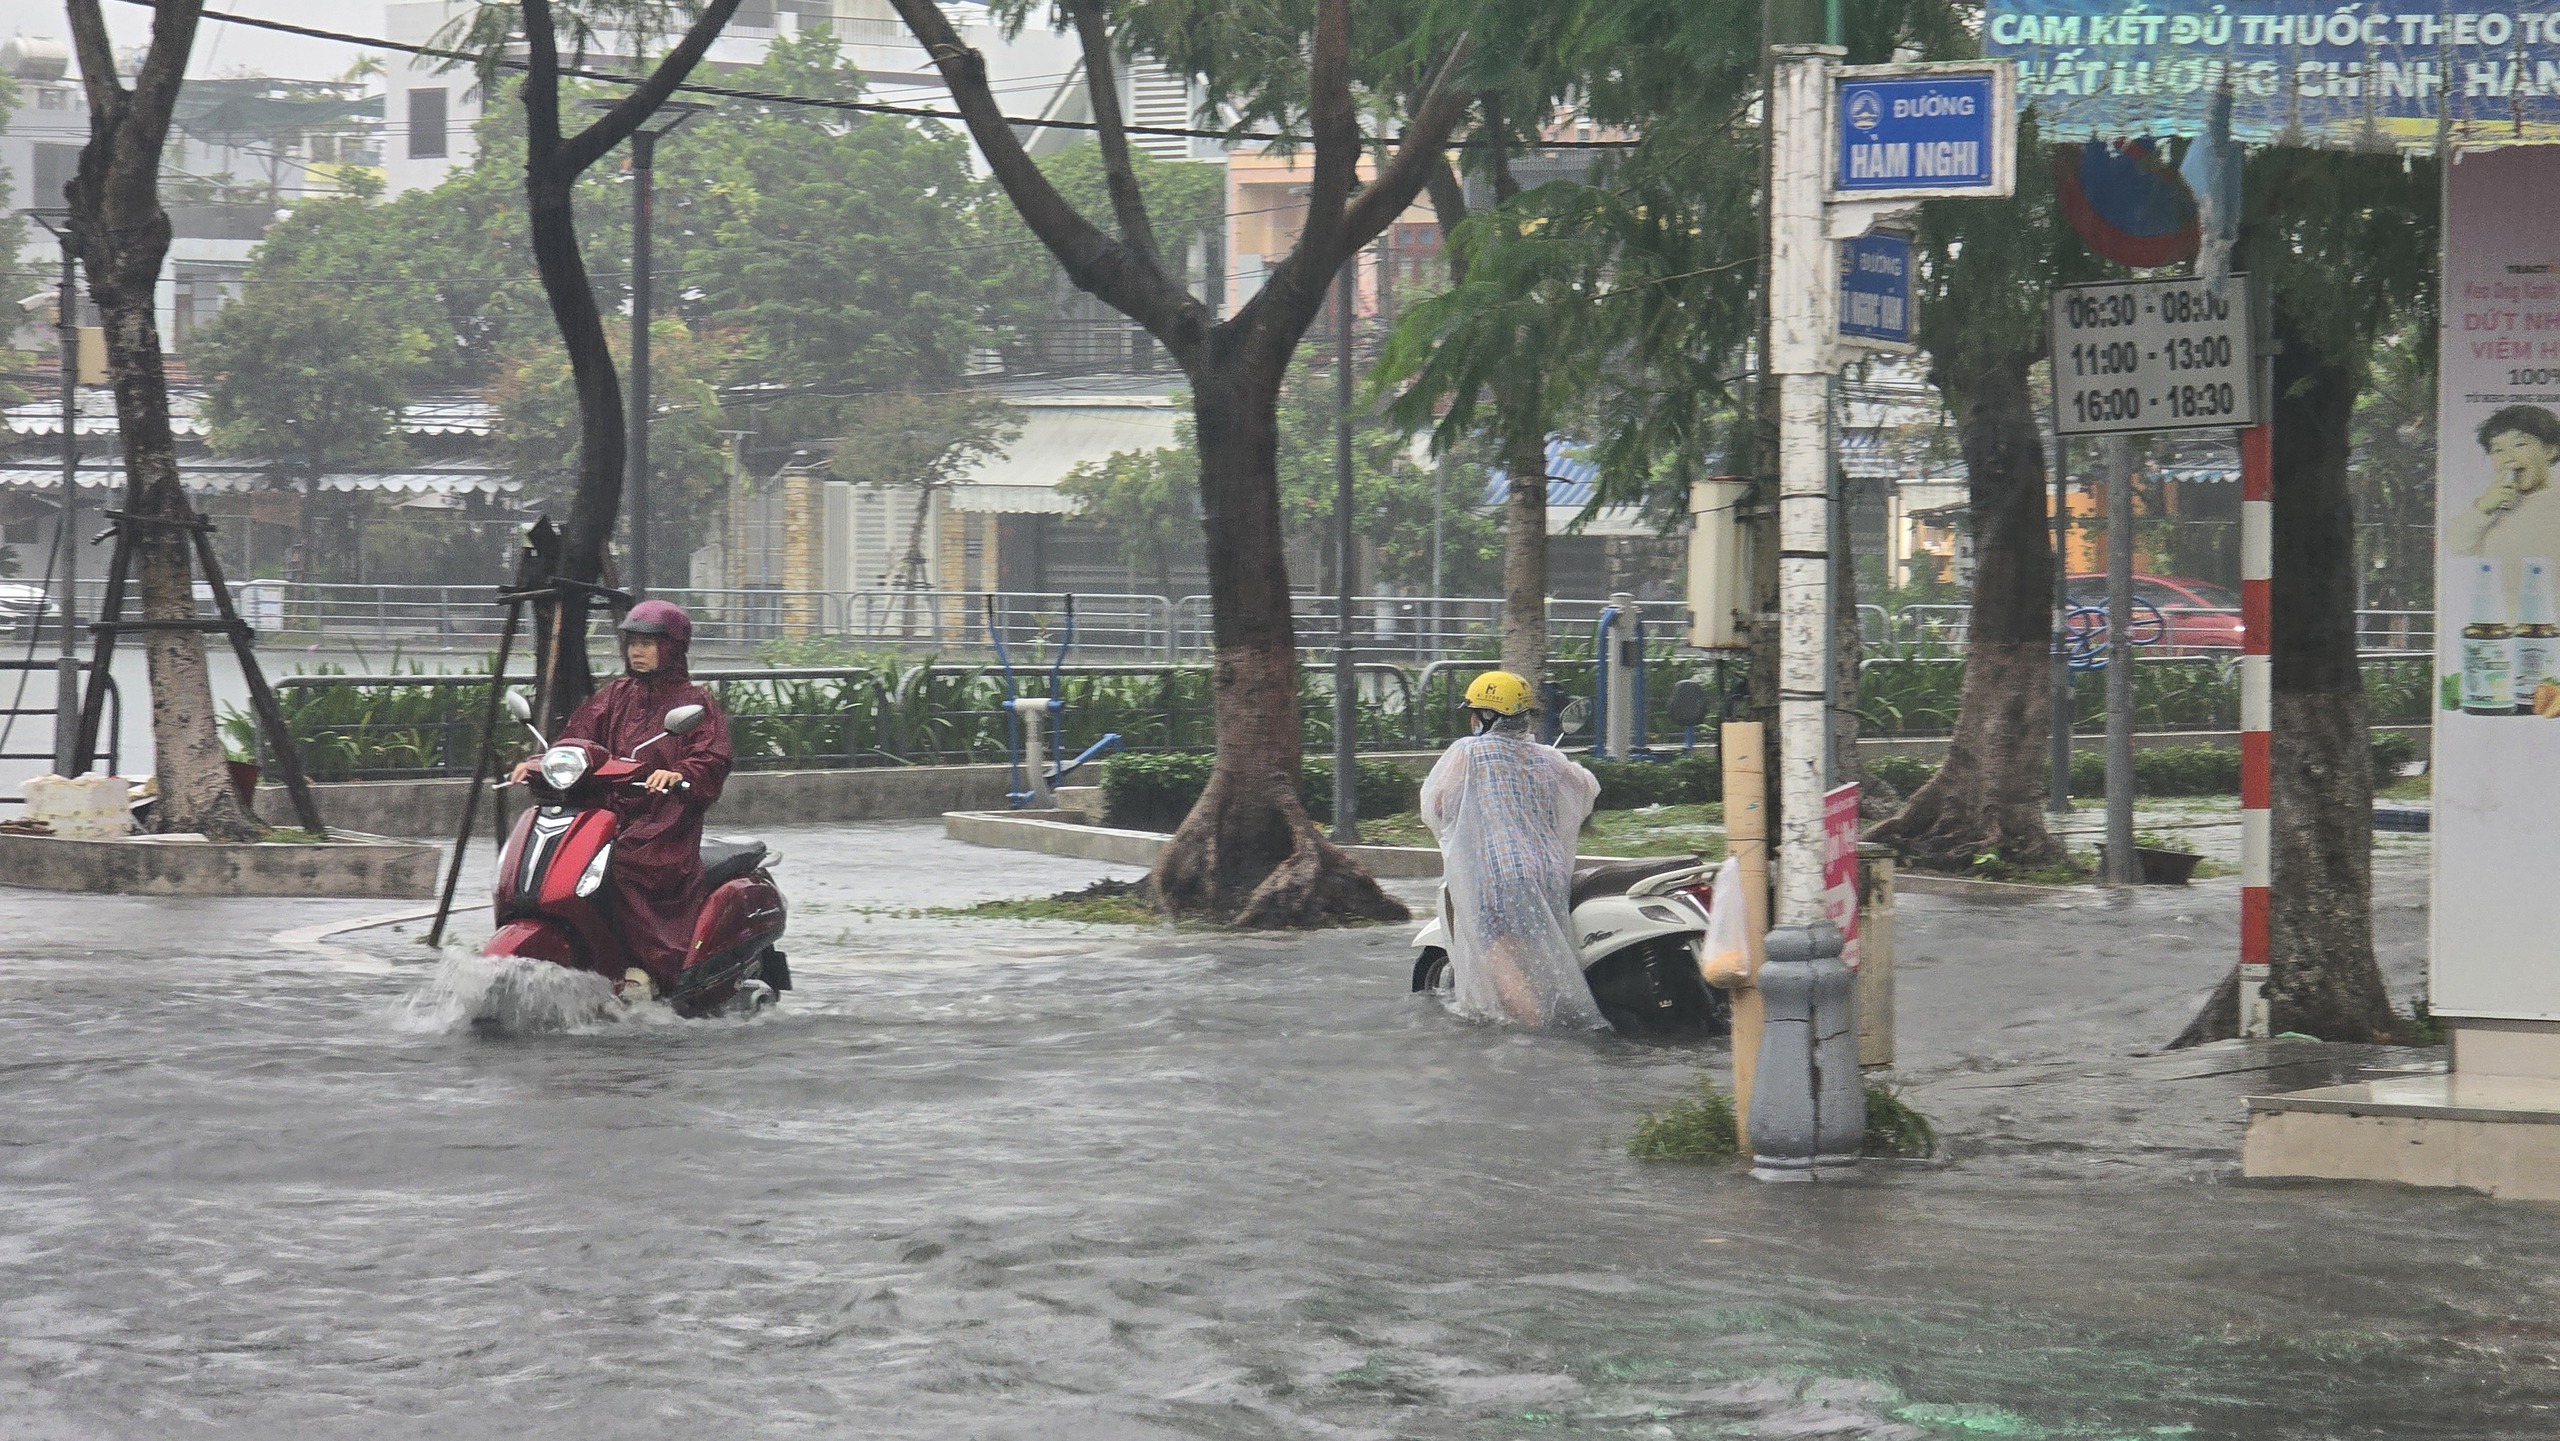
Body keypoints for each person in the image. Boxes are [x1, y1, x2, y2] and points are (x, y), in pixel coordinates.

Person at [510, 599, 732, 999]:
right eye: (632, 643)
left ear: (673, 648)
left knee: (626, 863)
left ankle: (647, 967)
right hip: (606, 813)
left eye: (649, 644)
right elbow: (576, 740)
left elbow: (711, 757)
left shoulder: (695, 703)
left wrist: (680, 774)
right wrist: (541, 762)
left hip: (663, 822)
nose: (637, 652)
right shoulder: (614, 696)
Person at [1418, 671, 1606, 1029]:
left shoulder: (1469, 752)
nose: (1471, 720)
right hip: (1549, 873)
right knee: (1537, 955)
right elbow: (1586, 790)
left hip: (1501, 875)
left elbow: (1437, 805)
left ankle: (1532, 1032)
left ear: (1486, 717)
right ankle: (1549, 1014)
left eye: (1474, 712)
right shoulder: (1547, 758)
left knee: (1500, 956)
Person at [2453, 404, 2560, 569]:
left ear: (2550, 450)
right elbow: (2456, 547)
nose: (2508, 458)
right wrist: (2482, 508)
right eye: (2497, 450)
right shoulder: (2492, 508)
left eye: (2520, 445)